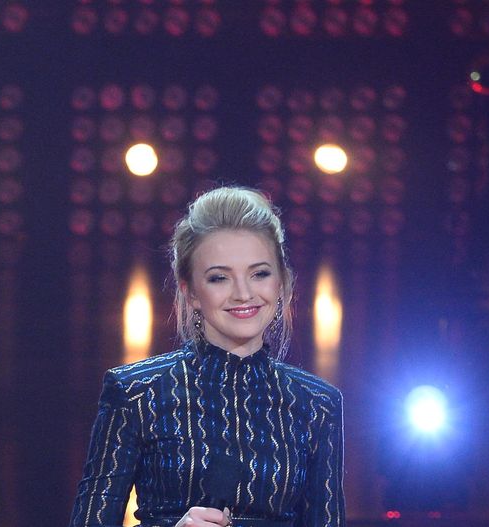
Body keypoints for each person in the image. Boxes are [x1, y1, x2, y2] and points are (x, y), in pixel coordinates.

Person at [70, 186, 344, 527]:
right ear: (191, 292)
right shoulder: (137, 393)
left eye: (259, 273)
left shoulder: (317, 404)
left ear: (282, 283)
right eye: (219, 278)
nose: (243, 293)